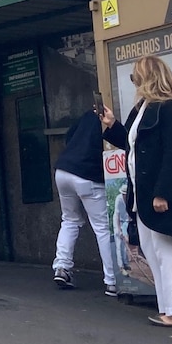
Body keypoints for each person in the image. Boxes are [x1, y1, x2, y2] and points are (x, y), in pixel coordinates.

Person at [101, 55, 172, 327]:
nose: (134, 82)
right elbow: (133, 146)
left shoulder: (170, 109)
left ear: (148, 77)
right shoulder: (143, 108)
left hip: (157, 192)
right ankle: (170, 307)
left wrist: (162, 192)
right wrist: (111, 125)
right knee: (153, 252)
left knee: (167, 251)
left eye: (136, 76)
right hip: (142, 194)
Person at [51, 110, 118, 296]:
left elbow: (70, 136)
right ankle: (112, 280)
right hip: (88, 174)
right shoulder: (112, 118)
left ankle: (62, 267)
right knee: (102, 227)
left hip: (64, 170)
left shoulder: (88, 114)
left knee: (69, 220)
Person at [112, 183, 132, 274]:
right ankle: (121, 266)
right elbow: (117, 215)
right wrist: (119, 230)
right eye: (123, 194)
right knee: (119, 244)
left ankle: (125, 263)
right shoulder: (118, 199)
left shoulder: (129, 199)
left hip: (125, 221)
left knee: (125, 244)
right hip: (118, 221)